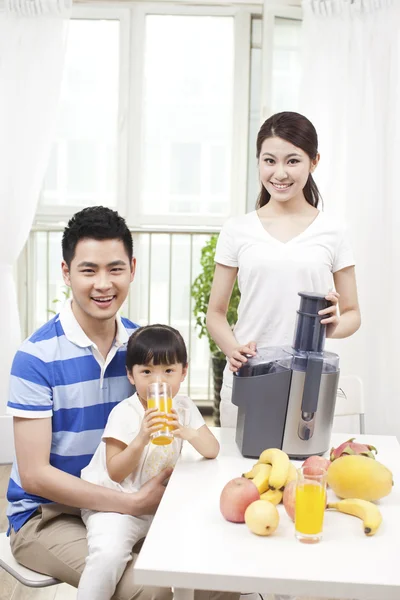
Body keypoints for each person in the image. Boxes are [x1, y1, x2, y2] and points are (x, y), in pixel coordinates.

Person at [6, 206, 239, 600]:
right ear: (66, 273)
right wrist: (130, 503)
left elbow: (182, 431)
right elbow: (35, 477)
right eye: (88, 270)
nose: (103, 284)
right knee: (153, 589)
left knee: (217, 575)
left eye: (115, 269)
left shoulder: (143, 353)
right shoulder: (36, 358)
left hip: (131, 500)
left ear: (132, 268)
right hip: (48, 514)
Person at [206, 111, 361, 428]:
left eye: (293, 161)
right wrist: (232, 349)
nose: (279, 173)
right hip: (248, 375)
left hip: (308, 378)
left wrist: (334, 325)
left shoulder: (333, 230)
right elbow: (216, 313)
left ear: (313, 162)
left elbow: (353, 314)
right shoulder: (237, 229)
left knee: (304, 473)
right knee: (242, 473)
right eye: (269, 160)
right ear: (259, 161)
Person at [77, 324, 219, 600]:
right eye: (146, 372)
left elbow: (212, 449)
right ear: (131, 375)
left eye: (168, 371)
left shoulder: (184, 407)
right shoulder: (125, 413)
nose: (159, 382)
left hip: (156, 507)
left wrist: (187, 432)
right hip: (114, 505)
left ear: (184, 372)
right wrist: (142, 437)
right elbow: (116, 472)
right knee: (108, 554)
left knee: (193, 546)